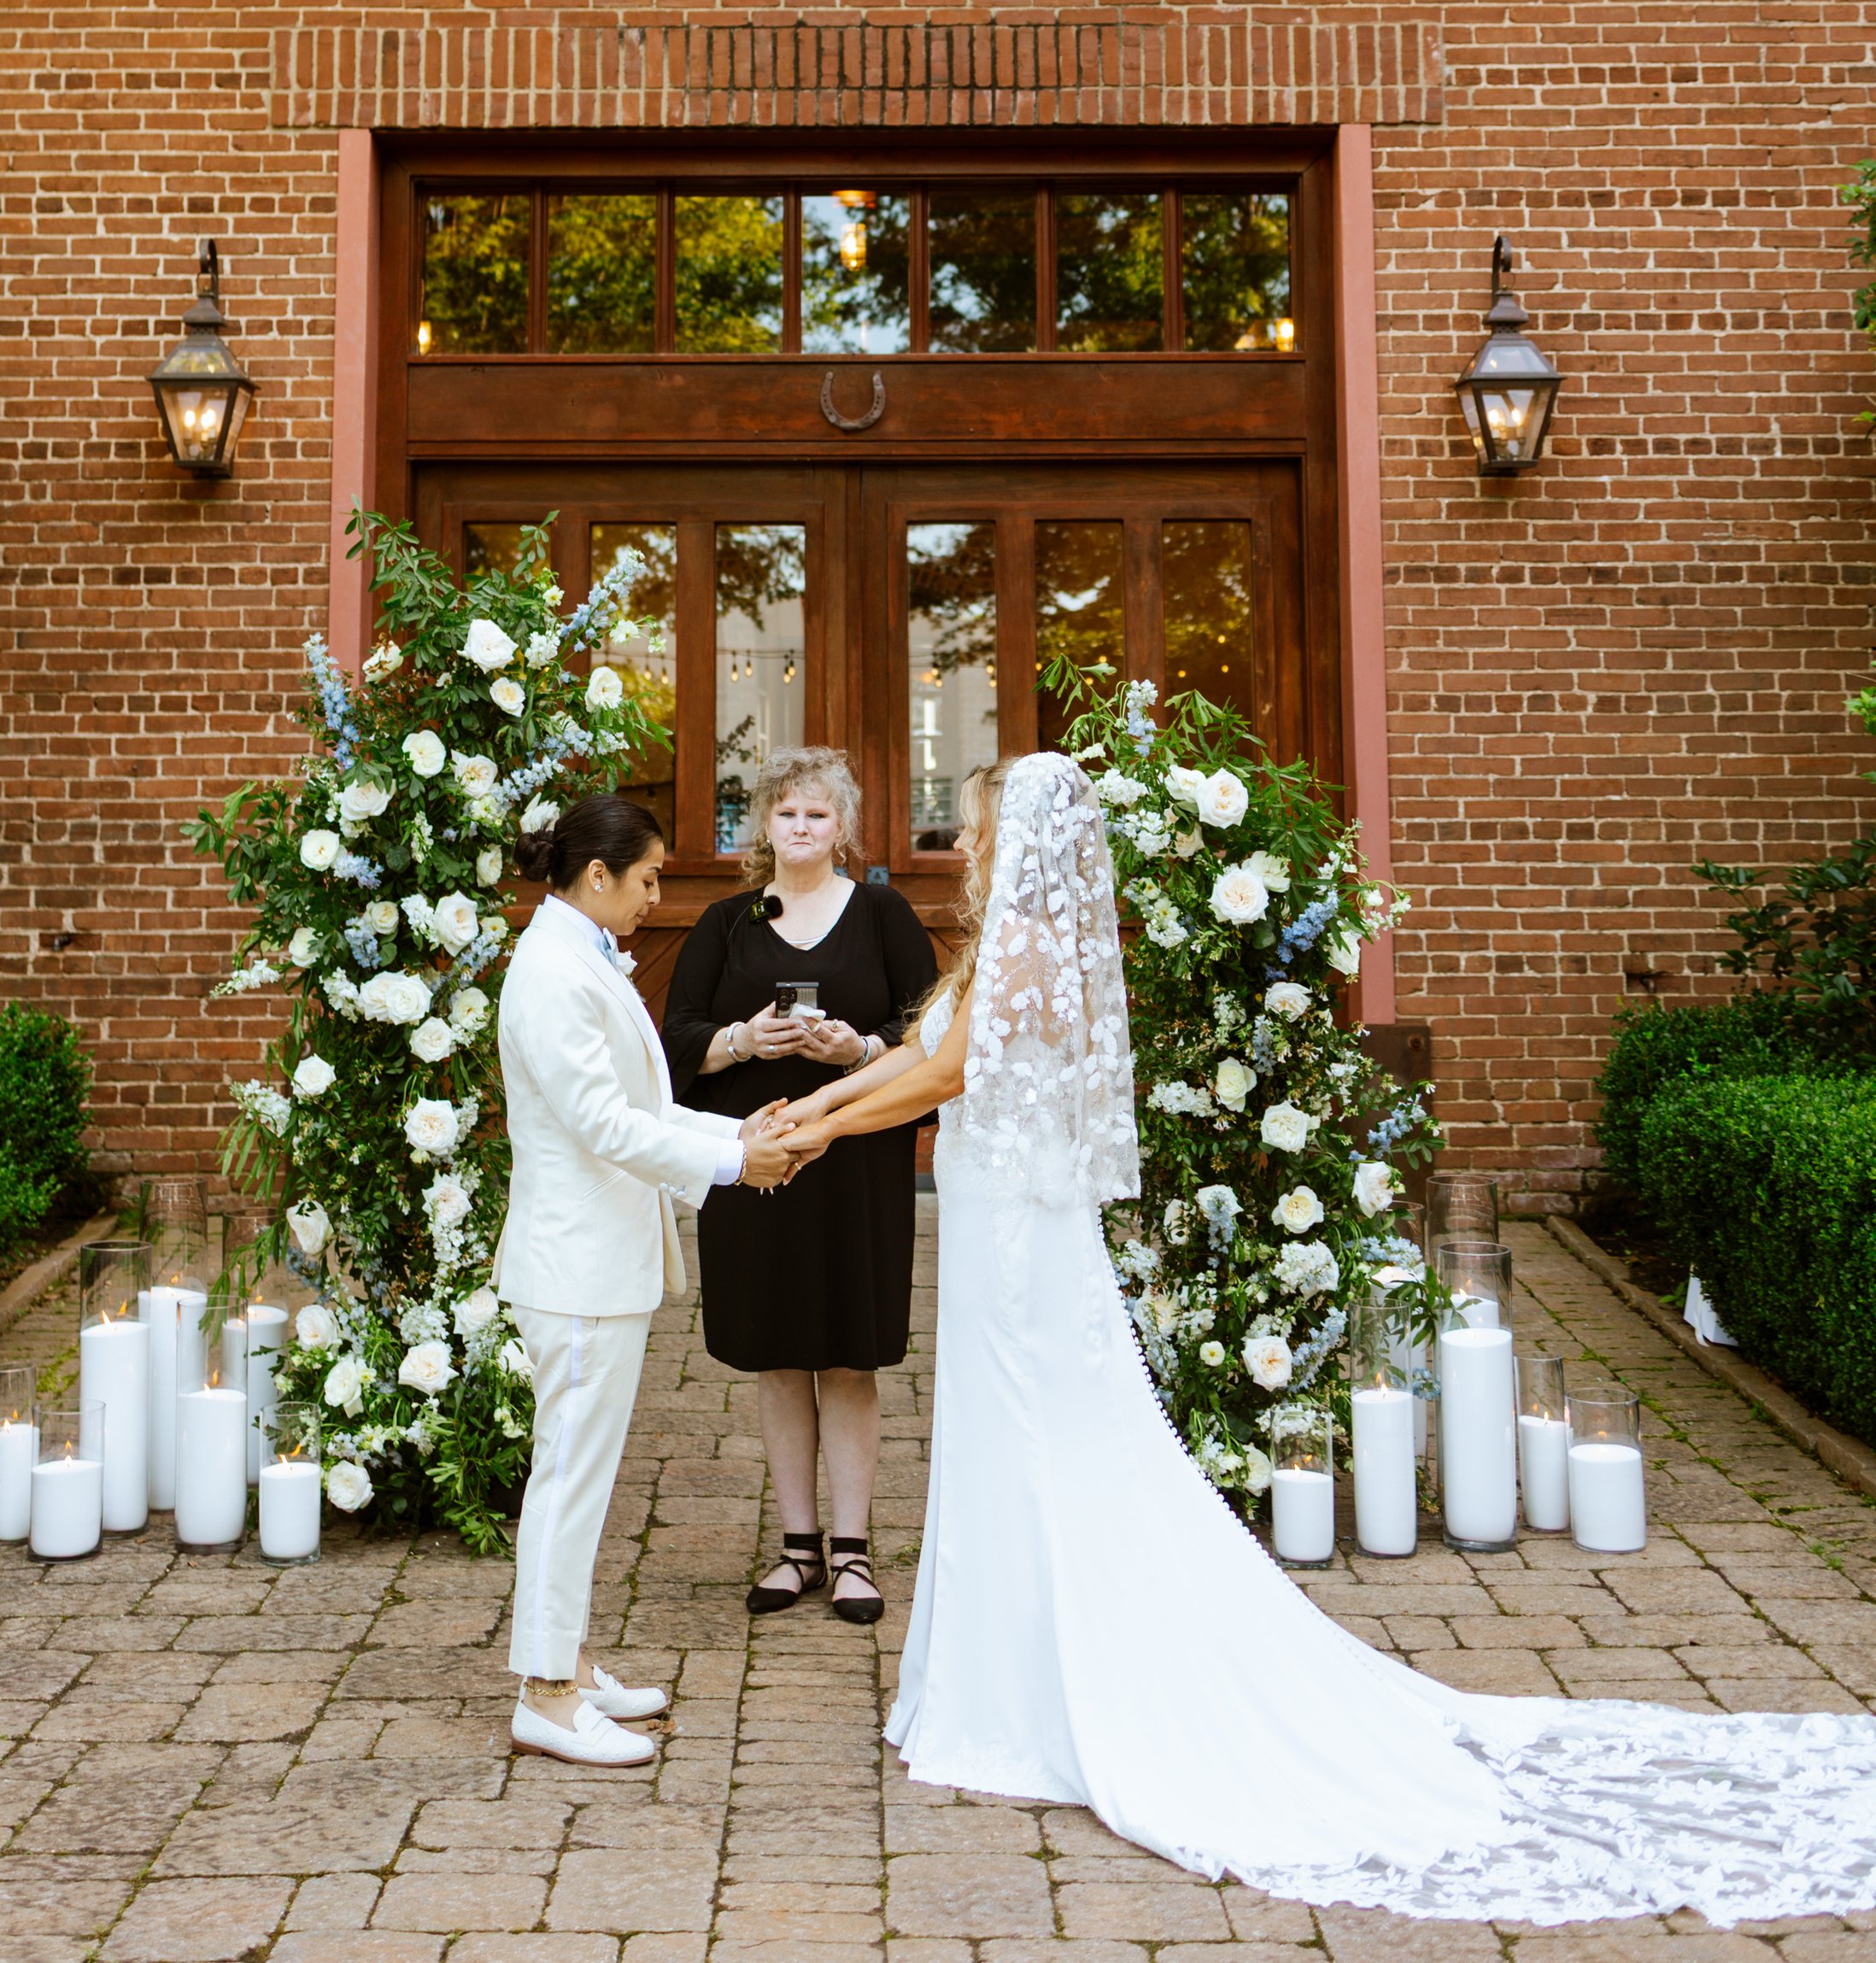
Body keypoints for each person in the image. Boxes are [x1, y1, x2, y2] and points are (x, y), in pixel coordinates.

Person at [773, 749, 1876, 1927]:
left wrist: (822, 1128)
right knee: (1011, 1438)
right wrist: (820, 1107)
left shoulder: (1034, 948)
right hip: (998, 1223)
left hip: (1023, 1246)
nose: (969, 839)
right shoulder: (1000, 947)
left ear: (1023, 837)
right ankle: (1002, 1673)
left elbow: (943, 1071)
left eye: (983, 821)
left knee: (1040, 1437)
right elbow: (920, 1062)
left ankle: (1037, 1688)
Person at [495, 792, 795, 1771]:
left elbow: (639, 1104)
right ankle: (544, 1694)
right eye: (649, 877)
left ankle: (570, 1665)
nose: (658, 897)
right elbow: (603, 1127)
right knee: (569, 1479)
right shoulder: (551, 972)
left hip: (599, 1259)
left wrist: (734, 1132)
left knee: (581, 1477)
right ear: (596, 876)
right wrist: (731, 1164)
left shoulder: (577, 954)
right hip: (575, 1265)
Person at [663, 746, 938, 1623]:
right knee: (778, 1357)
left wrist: (853, 1050)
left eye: (818, 814)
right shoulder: (726, 923)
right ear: (764, 825)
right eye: (786, 813)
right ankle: (796, 1548)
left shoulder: (885, 914)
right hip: (756, 1164)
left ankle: (854, 1553)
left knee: (850, 1357)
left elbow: (933, 1042)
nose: (802, 827)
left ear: (843, 827)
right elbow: (672, 1047)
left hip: (858, 1166)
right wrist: (744, 1041)